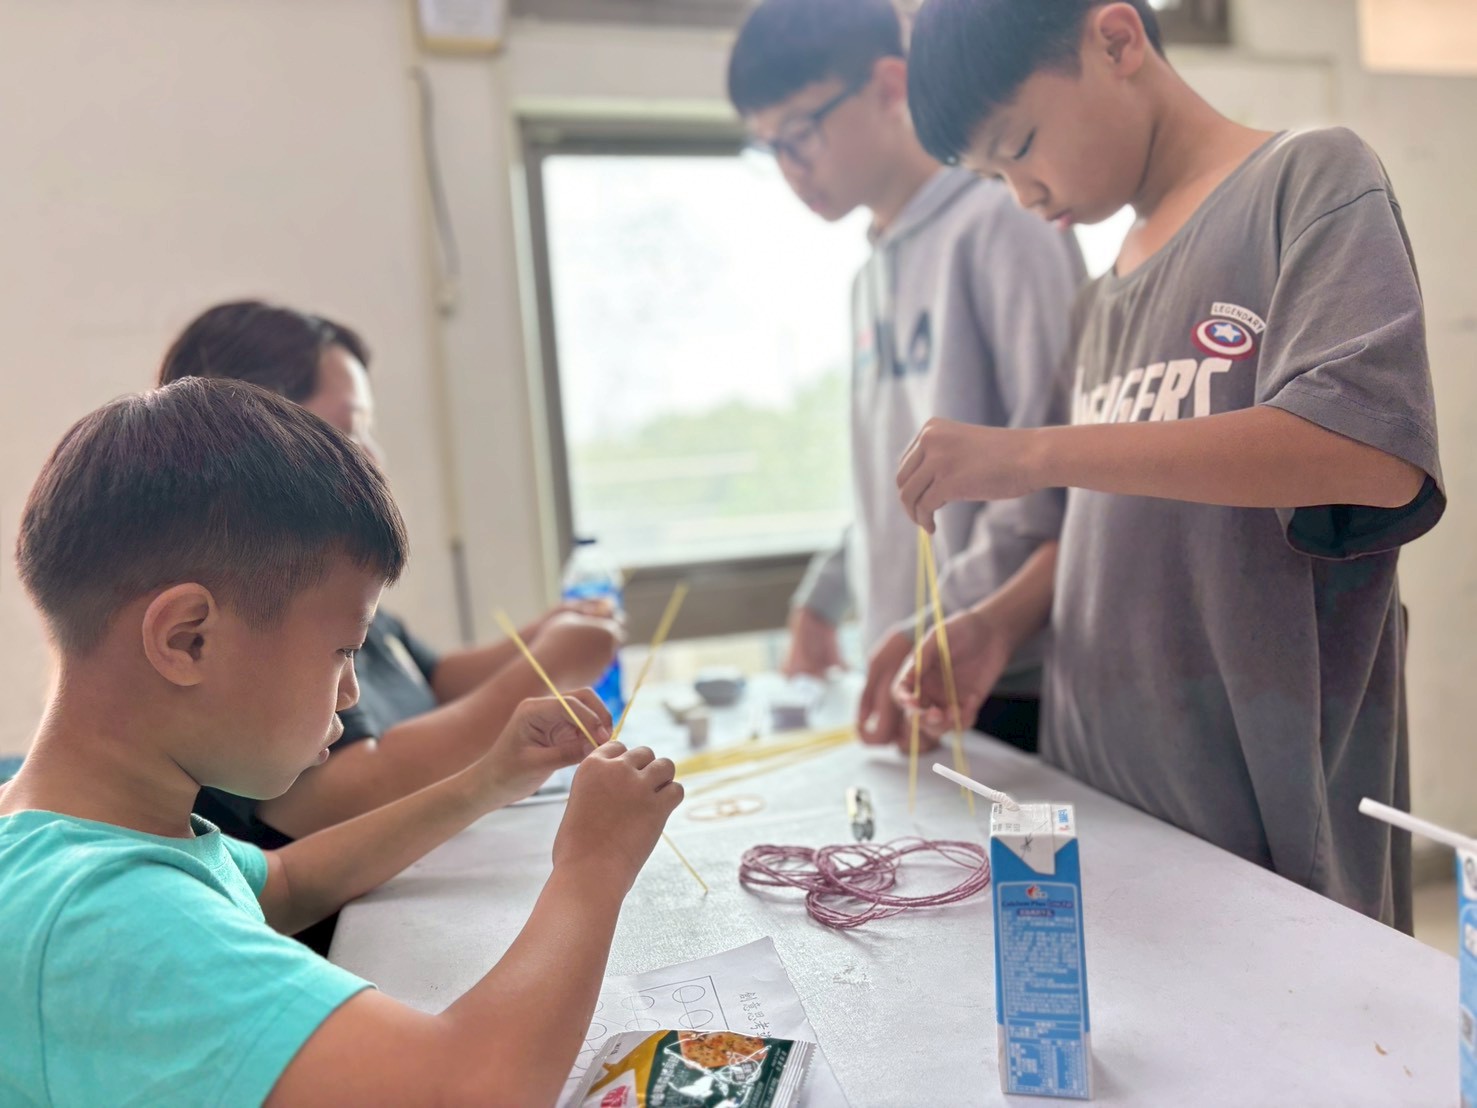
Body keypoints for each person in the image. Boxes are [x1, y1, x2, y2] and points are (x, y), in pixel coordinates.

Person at [896, 0, 1443, 930]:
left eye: (1019, 146)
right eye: (993, 177)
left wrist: (1030, 453)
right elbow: (1108, 525)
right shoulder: (1096, 302)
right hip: (1101, 794)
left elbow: (1366, 452)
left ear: (1115, 40)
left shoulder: (1307, 179)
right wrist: (997, 624)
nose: (1023, 194)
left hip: (1265, 824)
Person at [0, 377, 682, 1105]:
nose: (352, 692)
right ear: (187, 639)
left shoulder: (94, 833)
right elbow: (467, 1090)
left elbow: (290, 883)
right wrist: (594, 865)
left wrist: (490, 779)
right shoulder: (103, 916)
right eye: (342, 651)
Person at [728, 0, 1083, 753]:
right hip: (915, 661)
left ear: (890, 87)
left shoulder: (1003, 223)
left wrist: (937, 622)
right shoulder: (867, 276)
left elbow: (1053, 475)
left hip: (1003, 673)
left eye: (800, 134)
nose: (791, 170)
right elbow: (896, 474)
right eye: (771, 149)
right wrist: (825, 595)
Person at [157, 301, 622, 852]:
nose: (374, 458)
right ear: (262, 431)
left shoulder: (335, 587)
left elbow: (430, 680)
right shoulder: (251, 609)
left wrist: (547, 633)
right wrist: (549, 665)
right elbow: (349, 795)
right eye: (351, 430)